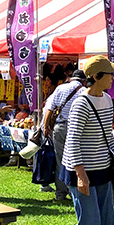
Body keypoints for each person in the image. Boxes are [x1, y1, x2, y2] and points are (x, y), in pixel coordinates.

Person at [47, 56, 114, 225]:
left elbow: (107, 134)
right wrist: (81, 174)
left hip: (102, 170)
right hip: (81, 171)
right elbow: (72, 141)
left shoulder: (108, 100)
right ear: (97, 77)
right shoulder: (81, 103)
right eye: (109, 74)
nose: (113, 77)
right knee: (90, 222)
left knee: (105, 223)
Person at [44, 69, 87, 199]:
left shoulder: (60, 88)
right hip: (77, 128)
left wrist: (46, 127)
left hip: (59, 126)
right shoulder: (84, 91)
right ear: (84, 80)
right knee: (76, 160)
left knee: (60, 160)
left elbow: (49, 109)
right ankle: (75, 190)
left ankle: (60, 193)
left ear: (71, 78)